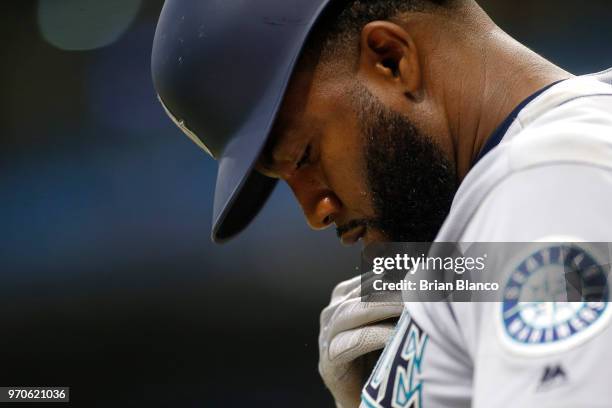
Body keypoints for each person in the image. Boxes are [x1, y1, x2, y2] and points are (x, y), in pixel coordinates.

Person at [151, 0, 612, 406]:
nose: (317, 212)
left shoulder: (548, 176)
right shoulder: (524, 200)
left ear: (391, 60)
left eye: (304, 157)